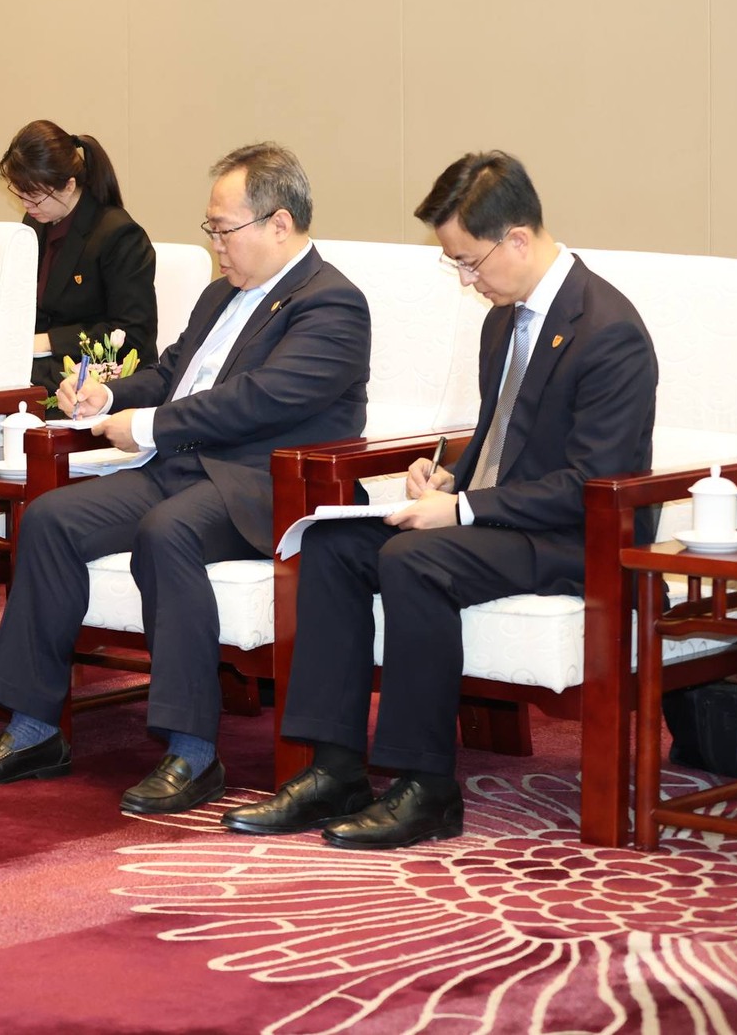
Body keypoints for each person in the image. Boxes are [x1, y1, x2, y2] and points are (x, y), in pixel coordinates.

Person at [226, 151, 657, 849]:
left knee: (415, 559)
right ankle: (334, 769)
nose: (465, 280)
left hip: (578, 538)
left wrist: (461, 510)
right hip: (502, 522)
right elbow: (505, 436)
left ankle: (425, 787)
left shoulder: (608, 331)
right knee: (331, 543)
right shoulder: (504, 319)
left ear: (517, 239)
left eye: (469, 262)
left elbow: (592, 480)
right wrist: (452, 476)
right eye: (454, 263)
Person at [0, 143, 372, 815]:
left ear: (279, 224)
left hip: (261, 484)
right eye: (211, 229)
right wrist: (110, 396)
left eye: (223, 230)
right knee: (51, 518)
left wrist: (147, 425)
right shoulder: (221, 294)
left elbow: (261, 399)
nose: (215, 245)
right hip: (181, 468)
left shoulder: (331, 303)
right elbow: (173, 372)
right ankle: (32, 729)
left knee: (166, 532)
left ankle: (192, 751)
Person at [0, 120, 157, 390]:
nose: (26, 205)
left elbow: (132, 334)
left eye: (34, 196)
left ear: (69, 186)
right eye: (20, 194)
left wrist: (48, 341)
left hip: (99, 374)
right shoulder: (36, 222)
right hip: (46, 364)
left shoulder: (119, 235)